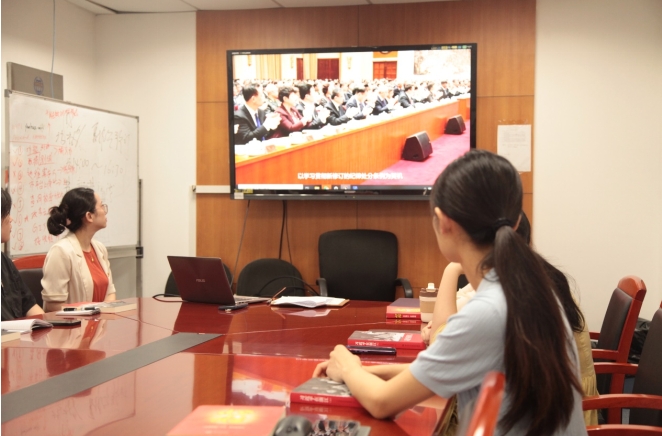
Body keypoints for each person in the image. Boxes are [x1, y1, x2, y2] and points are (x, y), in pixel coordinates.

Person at [313, 150, 587, 435]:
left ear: (443, 222)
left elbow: (383, 403)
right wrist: (363, 372)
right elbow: (438, 372)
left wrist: (349, 367)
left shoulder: (487, 312)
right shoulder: (531, 289)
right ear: (517, 222)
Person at [421, 211, 598, 428]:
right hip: (553, 409)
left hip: (548, 414)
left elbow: (441, 345)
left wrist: (452, 268)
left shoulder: (515, 294)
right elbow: (464, 303)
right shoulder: (535, 277)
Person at [41, 188, 116, 312]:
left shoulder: (100, 249)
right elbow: (53, 307)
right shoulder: (61, 251)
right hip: (74, 324)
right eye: (101, 206)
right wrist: (92, 312)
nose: (105, 211)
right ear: (89, 216)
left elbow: (110, 293)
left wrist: (101, 316)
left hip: (100, 322)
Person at [1, 188, 45, 320]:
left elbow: (29, 305)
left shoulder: (4, 260)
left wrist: (48, 325)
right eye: (6, 213)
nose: (11, 219)